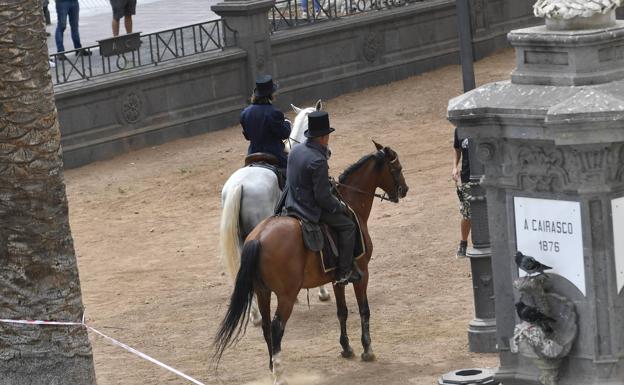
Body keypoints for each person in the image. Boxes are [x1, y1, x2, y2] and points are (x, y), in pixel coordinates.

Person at [285, 111, 360, 286]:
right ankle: (344, 272)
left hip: (290, 203)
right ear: (324, 137)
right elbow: (323, 198)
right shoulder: (318, 160)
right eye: (328, 136)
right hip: (309, 209)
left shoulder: (295, 150)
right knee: (348, 226)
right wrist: (340, 207)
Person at [240, 75, 291, 169]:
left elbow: (247, 136)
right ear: (270, 95)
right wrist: (287, 122)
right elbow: (284, 134)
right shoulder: (274, 112)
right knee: (291, 174)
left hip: (252, 153)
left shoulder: (245, 113)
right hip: (275, 154)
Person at [452, 127, 471, 258]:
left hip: (486, 176)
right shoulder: (459, 129)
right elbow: (457, 149)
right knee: (467, 213)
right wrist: (455, 167)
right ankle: (463, 243)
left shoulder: (482, 126)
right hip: (467, 177)